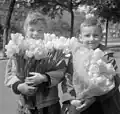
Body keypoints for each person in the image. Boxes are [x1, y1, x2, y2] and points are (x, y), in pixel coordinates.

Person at [4, 11, 66, 114]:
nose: (35, 34)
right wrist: (19, 86)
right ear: (25, 30)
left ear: (45, 31)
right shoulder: (19, 50)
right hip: (25, 105)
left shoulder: (52, 49)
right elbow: (10, 74)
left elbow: (61, 71)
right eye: (31, 30)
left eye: (40, 30)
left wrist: (44, 77)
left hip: (49, 104)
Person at [61, 16, 120, 114]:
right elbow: (68, 78)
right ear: (80, 37)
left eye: (95, 35)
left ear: (101, 36)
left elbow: (115, 80)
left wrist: (95, 97)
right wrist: (70, 99)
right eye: (87, 35)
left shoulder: (107, 55)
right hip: (80, 102)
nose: (91, 39)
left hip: (104, 104)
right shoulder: (75, 56)